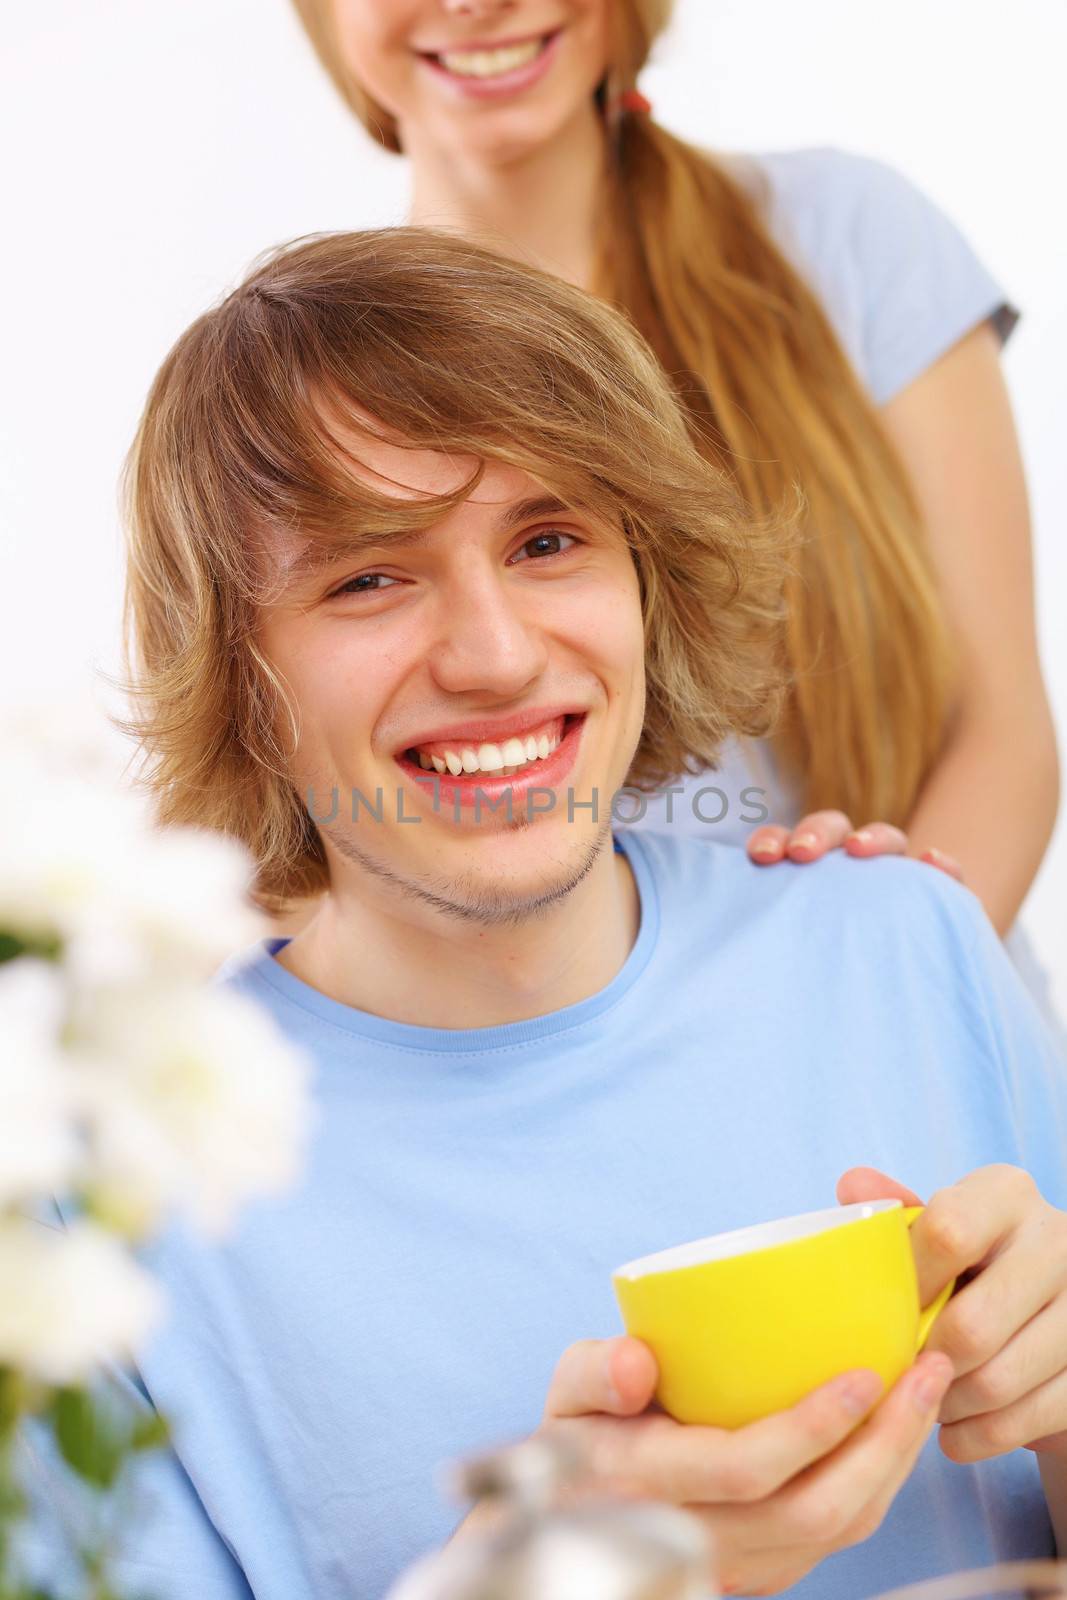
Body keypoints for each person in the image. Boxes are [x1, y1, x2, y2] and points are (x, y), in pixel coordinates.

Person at [17, 229, 1067, 1600]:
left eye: (548, 539)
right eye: (367, 575)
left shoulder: (905, 948)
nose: (497, 654)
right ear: (239, 674)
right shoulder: (96, 1201)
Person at [283, 0, 1061, 1015]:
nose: (472, 4)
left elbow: (999, 729)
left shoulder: (846, 237)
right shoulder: (308, 384)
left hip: (898, 1046)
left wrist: (876, 1000)